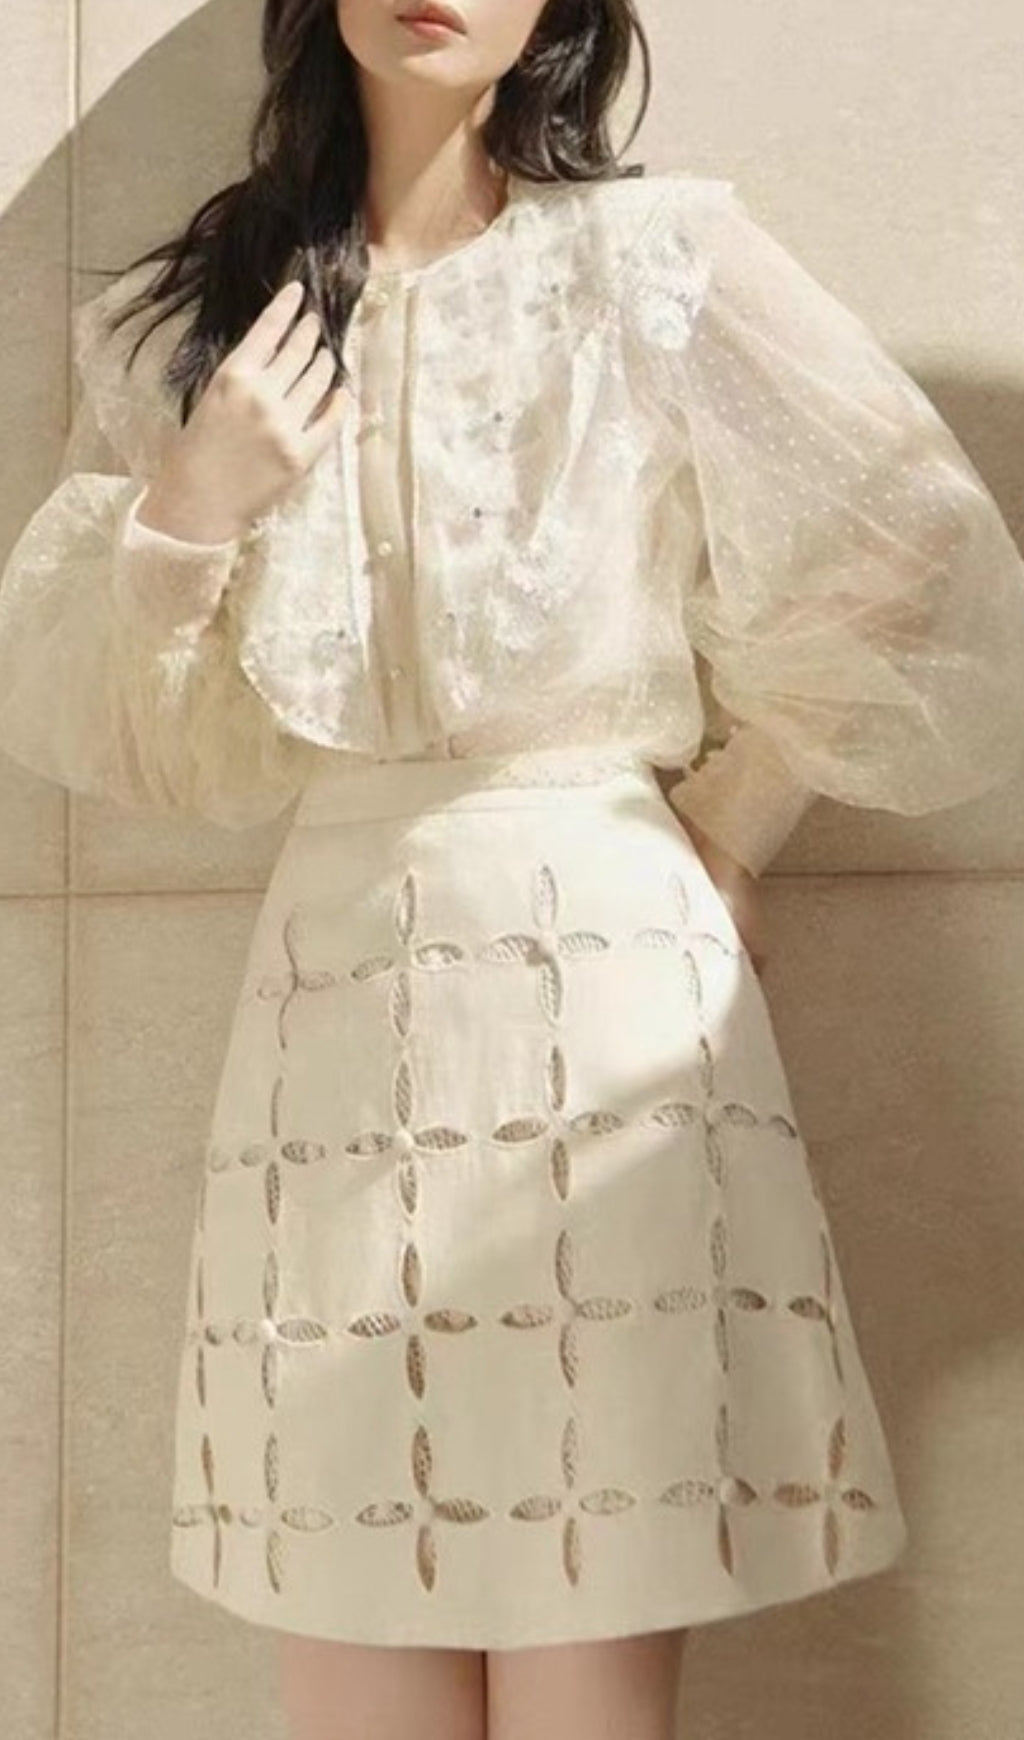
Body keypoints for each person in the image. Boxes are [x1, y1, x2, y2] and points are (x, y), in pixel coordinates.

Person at [2, 1, 1024, 1736]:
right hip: (334, 1003)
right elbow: (147, 747)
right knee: (345, 1625)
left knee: (590, 1647)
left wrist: (730, 820)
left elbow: (912, 534)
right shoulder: (195, 321)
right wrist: (193, 503)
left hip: (606, 976)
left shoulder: (655, 260)